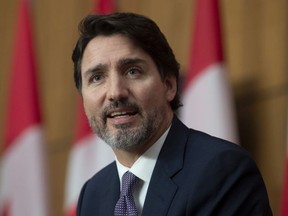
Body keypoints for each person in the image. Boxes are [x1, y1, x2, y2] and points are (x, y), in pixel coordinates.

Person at [72, 12, 272, 216]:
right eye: (97, 77)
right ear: (84, 99)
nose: (115, 92)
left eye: (132, 71)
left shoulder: (222, 170)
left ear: (169, 85)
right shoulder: (92, 195)